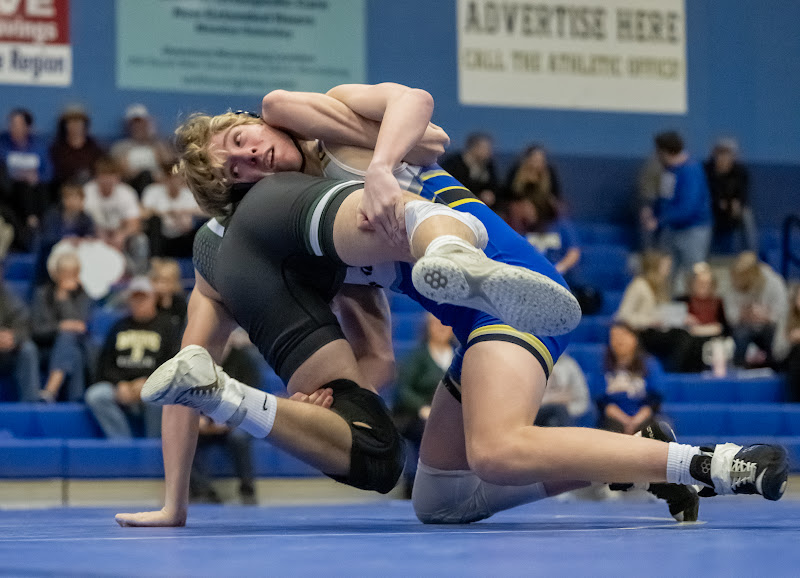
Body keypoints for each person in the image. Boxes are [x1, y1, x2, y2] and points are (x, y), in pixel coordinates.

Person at [117, 83, 786, 528]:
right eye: (237, 172)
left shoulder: (334, 132)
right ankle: (635, 453)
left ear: (253, 122)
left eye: (241, 141)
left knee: (495, 451)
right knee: (440, 498)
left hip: (511, 277)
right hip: (472, 317)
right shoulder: (307, 233)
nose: (251, 157)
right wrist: (313, 403)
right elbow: (375, 357)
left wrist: (379, 162)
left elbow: (420, 108)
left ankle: (710, 464)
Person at [84, 276, 179, 438]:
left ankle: (154, 445)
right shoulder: (118, 326)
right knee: (96, 395)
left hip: (154, 385)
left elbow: (173, 363)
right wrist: (120, 384)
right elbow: (105, 364)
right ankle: (122, 443)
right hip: (121, 385)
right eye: (135, 299)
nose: (139, 303)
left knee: (160, 397)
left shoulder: (168, 326)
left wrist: (148, 382)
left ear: (153, 298)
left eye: (143, 298)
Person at [190, 329, 260, 505]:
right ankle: (202, 490)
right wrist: (198, 420)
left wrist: (228, 421)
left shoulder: (245, 361)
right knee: (183, 437)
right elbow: (189, 397)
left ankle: (247, 489)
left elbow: (252, 399)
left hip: (238, 421)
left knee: (239, 437)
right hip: (206, 421)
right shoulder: (198, 365)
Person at [393, 314, 455, 498]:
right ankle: (421, 482)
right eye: (436, 324)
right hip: (419, 416)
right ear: (428, 327)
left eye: (445, 323)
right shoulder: (417, 357)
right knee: (428, 427)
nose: (441, 327)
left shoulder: (462, 355)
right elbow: (403, 391)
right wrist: (423, 408)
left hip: (453, 416)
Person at [615, 251, 698, 372]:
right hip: (642, 332)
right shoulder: (639, 285)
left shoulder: (661, 287)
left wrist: (682, 318)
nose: (669, 270)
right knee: (681, 338)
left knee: (688, 336)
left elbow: (663, 313)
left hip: (658, 330)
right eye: (666, 266)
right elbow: (623, 315)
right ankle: (672, 372)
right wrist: (650, 321)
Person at [650, 131, 712, 292]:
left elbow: (688, 207)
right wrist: (653, 213)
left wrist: (660, 220)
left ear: (664, 151)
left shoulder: (691, 171)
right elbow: (665, 198)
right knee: (664, 275)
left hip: (693, 231)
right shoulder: (669, 171)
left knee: (695, 275)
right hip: (672, 230)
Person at [32, 250, 92, 402]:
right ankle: (75, 401)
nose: (68, 277)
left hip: (78, 345)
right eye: (64, 272)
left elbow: (81, 327)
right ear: (56, 274)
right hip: (45, 347)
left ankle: (50, 391)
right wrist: (59, 327)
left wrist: (63, 299)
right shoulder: (42, 294)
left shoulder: (84, 296)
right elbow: (37, 330)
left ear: (78, 274)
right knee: (70, 346)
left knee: (70, 341)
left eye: (72, 273)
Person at [83, 157, 150, 275]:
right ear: (97, 176)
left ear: (118, 177)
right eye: (104, 175)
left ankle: (139, 276)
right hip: (94, 234)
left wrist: (122, 235)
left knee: (140, 240)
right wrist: (99, 234)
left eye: (111, 175)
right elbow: (83, 221)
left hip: (119, 233)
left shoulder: (126, 193)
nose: (108, 180)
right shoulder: (87, 192)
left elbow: (134, 223)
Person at [723, 252, 789, 368]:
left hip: (770, 325)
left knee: (776, 334)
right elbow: (731, 317)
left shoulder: (774, 282)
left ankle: (775, 368)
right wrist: (745, 314)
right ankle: (738, 368)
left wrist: (767, 316)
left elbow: (783, 312)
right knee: (740, 334)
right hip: (744, 326)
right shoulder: (733, 284)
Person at [0, 108, 52, 250]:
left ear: (28, 127)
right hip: (8, 192)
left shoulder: (39, 146)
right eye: (11, 124)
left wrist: (36, 176)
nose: (13, 128)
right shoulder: (2, 144)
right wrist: (17, 175)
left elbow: (48, 173)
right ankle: (29, 223)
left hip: (35, 192)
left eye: (18, 124)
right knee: (22, 186)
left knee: (37, 188)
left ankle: (36, 225)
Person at [598, 323, 664, 435]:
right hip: (612, 419)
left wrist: (635, 421)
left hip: (644, 417)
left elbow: (655, 400)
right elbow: (601, 401)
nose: (619, 340)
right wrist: (624, 420)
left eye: (623, 335)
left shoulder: (650, 364)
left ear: (635, 338)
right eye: (614, 336)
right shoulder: (603, 366)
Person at [34, 181, 95, 287]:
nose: (72, 202)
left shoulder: (86, 218)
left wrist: (82, 240)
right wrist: (65, 240)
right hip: (53, 254)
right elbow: (48, 237)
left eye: (76, 198)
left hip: (79, 255)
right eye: (69, 198)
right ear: (63, 200)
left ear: (82, 200)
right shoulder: (53, 215)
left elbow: (91, 236)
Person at [704, 138, 758, 254]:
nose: (723, 157)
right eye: (720, 153)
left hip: (731, 209)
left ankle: (750, 255)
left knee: (746, 215)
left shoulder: (740, 171)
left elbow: (743, 194)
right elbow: (707, 193)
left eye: (727, 154)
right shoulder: (706, 170)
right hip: (711, 208)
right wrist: (719, 202)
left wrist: (735, 204)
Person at [142, 162, 204, 258]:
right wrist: (167, 213)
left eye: (177, 177)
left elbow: (206, 212)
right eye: (171, 177)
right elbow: (143, 212)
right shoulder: (153, 191)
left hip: (182, 236)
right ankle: (155, 259)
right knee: (154, 221)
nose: (174, 181)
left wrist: (183, 212)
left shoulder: (189, 194)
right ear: (165, 178)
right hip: (160, 236)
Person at [111, 104, 173, 194]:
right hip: (131, 186)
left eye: (141, 123)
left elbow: (169, 164)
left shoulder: (159, 145)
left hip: (158, 187)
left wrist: (154, 139)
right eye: (134, 124)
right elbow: (114, 171)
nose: (138, 127)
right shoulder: (120, 147)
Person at [0, 278, 39, 401]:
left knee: (28, 349)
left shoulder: (6, 295)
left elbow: (24, 324)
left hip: (5, 353)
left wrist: (13, 338)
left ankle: (30, 407)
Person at [49, 104, 105, 188]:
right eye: (70, 121)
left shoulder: (95, 148)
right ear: (64, 125)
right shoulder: (56, 149)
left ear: (85, 124)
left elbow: (102, 171)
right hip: (64, 191)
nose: (75, 125)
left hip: (91, 191)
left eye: (78, 121)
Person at [440, 132, 500, 208]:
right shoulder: (453, 163)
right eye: (486, 148)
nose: (490, 152)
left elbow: (495, 187)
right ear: (474, 147)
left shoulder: (488, 165)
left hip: (480, 206)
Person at [534, 353, 589, 428]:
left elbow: (581, 399)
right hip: (537, 411)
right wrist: (555, 399)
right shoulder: (532, 363)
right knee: (557, 411)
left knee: (558, 414)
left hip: (564, 412)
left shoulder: (569, 364)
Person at [149, 257, 188, 329]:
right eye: (157, 280)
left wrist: (166, 301)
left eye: (166, 281)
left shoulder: (180, 303)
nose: (161, 285)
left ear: (174, 282)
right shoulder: (149, 301)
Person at [784, 284, 800, 402]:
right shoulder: (786, 318)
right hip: (788, 359)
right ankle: (794, 403)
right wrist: (790, 340)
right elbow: (778, 350)